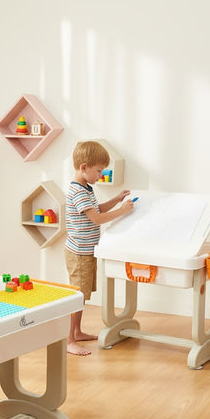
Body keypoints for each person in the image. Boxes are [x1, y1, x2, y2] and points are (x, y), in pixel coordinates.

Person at [65, 141, 134, 356]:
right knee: (77, 296)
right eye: (98, 171)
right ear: (84, 167)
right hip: (79, 253)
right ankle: (68, 340)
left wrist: (116, 200)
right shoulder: (78, 192)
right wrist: (122, 211)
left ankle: (76, 332)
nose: (100, 175)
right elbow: (96, 218)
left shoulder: (87, 188)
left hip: (86, 251)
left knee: (82, 295)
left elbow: (97, 209)